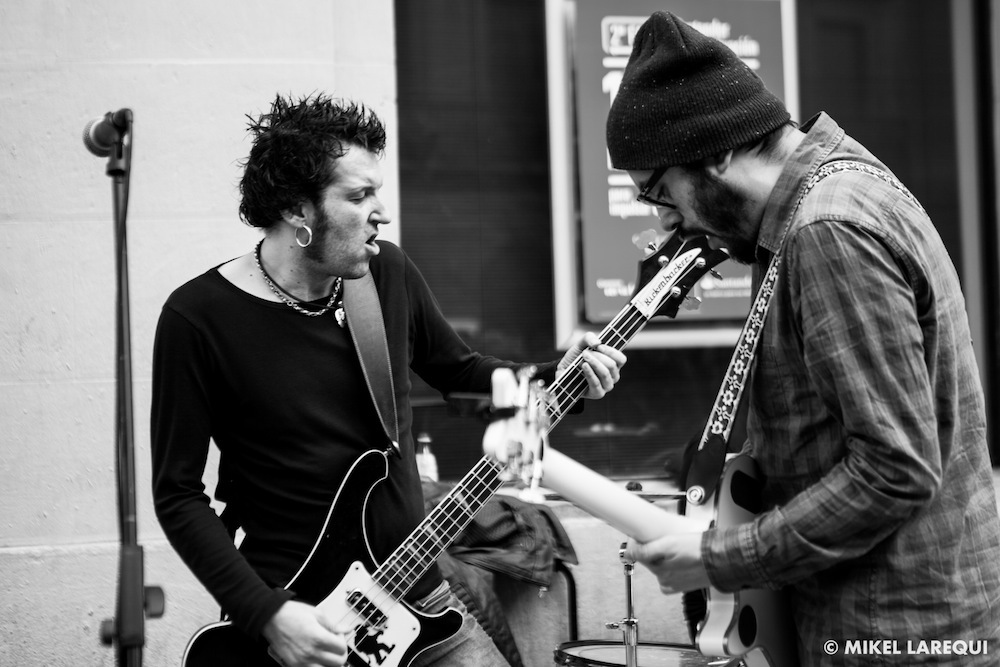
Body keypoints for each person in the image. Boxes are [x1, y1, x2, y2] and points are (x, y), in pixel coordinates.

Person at [151, 92, 627, 667]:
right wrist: (265, 613)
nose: (382, 212)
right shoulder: (198, 318)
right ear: (298, 210)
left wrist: (558, 375)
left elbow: (461, 372)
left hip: (416, 595)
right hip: (299, 619)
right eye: (359, 196)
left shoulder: (386, 274)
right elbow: (177, 494)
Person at [605, 11, 1000, 666]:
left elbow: (895, 472)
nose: (665, 219)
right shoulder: (840, 182)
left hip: (892, 635)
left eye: (660, 192)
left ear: (719, 152)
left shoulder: (825, 233)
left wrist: (719, 558)